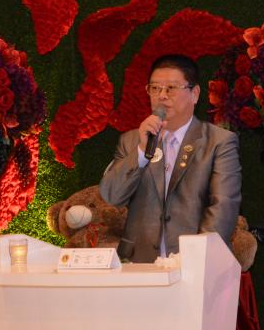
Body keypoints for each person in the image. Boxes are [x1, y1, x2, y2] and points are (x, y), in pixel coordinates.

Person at [99, 54, 242, 263]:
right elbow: (112, 195)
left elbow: (223, 206)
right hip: (140, 264)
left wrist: (195, 259)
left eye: (171, 88)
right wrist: (141, 151)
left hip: (195, 263)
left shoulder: (219, 142)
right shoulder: (131, 141)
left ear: (194, 94)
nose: (162, 96)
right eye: (155, 88)